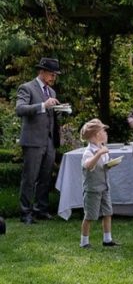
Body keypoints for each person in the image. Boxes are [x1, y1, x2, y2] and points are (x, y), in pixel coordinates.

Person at [15, 57, 63, 224]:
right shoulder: (27, 88)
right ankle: (25, 213)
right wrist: (43, 105)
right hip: (33, 140)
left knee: (45, 177)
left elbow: (51, 115)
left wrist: (60, 110)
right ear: (41, 72)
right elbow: (20, 109)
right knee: (30, 177)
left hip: (49, 141)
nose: (53, 78)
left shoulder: (52, 92)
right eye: (51, 74)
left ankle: (40, 209)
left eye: (55, 75)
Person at [79, 118, 120, 249]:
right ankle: (84, 241)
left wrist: (110, 164)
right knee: (90, 216)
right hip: (92, 189)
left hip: (104, 187)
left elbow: (103, 165)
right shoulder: (88, 152)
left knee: (108, 213)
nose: (106, 134)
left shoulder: (102, 148)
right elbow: (88, 165)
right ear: (97, 135)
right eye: (104, 131)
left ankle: (107, 239)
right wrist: (99, 154)